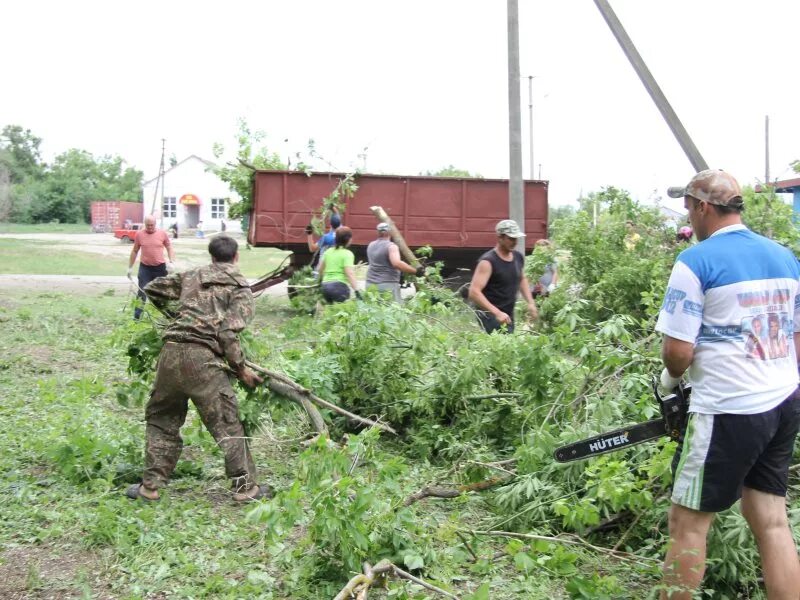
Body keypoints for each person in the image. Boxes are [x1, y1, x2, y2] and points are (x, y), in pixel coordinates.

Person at [656, 169, 800, 599]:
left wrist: (669, 382)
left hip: (729, 407)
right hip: (783, 400)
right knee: (771, 520)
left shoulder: (695, 262)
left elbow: (678, 353)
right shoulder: (783, 256)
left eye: (688, 209)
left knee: (687, 524)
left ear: (702, 208)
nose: (689, 220)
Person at [125, 235, 270, 503]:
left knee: (161, 419)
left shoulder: (192, 275)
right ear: (236, 257)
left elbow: (154, 287)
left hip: (170, 353)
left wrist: (181, 317)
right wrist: (241, 369)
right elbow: (227, 333)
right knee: (227, 423)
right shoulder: (240, 288)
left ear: (212, 256)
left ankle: (150, 488)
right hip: (202, 360)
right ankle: (244, 488)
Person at [468, 219, 538, 333]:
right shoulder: (488, 262)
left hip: (507, 312)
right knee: (502, 346)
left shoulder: (518, 257)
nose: (514, 242)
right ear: (500, 237)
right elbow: (474, 292)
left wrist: (530, 302)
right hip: (489, 314)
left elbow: (522, 279)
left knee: (508, 344)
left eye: (516, 238)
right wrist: (497, 313)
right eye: (511, 238)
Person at [127, 215, 175, 320]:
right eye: (147, 225)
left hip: (160, 269)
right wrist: (130, 268)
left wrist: (171, 262)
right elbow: (135, 251)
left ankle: (170, 317)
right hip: (145, 269)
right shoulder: (139, 234)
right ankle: (136, 318)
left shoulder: (162, 233)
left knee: (163, 293)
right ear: (145, 224)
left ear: (155, 224)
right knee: (142, 293)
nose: (150, 228)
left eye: (152, 225)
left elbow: (169, 246)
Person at [365, 222, 424, 302]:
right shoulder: (391, 246)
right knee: (394, 311)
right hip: (387, 285)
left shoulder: (371, 245)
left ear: (378, 232)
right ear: (390, 232)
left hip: (370, 284)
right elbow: (396, 263)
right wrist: (416, 271)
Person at [318, 226, 359, 303]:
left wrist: (322, 281)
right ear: (348, 240)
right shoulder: (347, 254)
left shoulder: (328, 252)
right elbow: (349, 273)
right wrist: (356, 290)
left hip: (325, 287)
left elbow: (320, 269)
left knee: (330, 310)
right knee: (341, 312)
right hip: (339, 287)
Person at [306, 209, 341, 274]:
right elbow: (337, 216)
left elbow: (312, 248)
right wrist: (333, 208)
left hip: (324, 268)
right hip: (337, 267)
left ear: (330, 225)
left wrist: (309, 234)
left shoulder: (325, 238)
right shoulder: (342, 234)